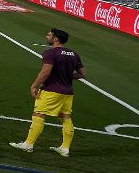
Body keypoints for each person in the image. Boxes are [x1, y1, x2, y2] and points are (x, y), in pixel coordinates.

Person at [11, 28, 84, 157]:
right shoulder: (74, 54)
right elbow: (82, 74)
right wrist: (66, 76)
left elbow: (45, 72)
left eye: (49, 35)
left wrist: (34, 85)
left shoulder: (50, 53)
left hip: (51, 90)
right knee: (66, 117)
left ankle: (28, 144)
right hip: (67, 92)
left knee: (38, 114)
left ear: (56, 39)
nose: (47, 36)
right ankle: (65, 148)